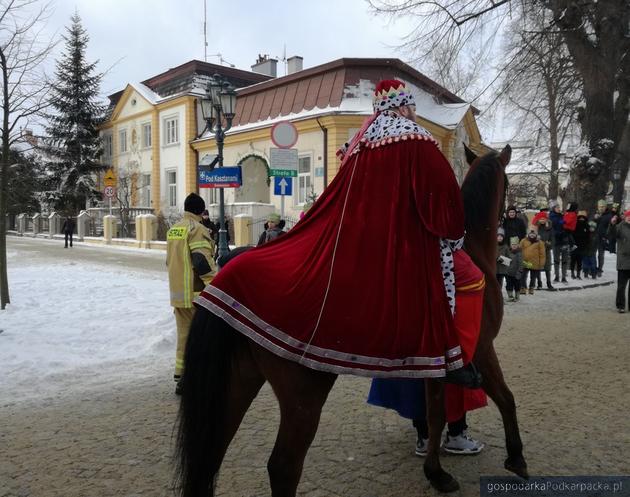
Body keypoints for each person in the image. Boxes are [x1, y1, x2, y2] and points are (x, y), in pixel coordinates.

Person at [194, 79, 480, 384]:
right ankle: (453, 357)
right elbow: (444, 208)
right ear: (405, 106)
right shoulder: (418, 140)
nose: (412, 112)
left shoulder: (357, 143)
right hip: (401, 246)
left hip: (353, 240)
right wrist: (454, 236)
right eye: (411, 106)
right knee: (472, 278)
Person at [367, 248, 487, 455]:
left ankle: (425, 435)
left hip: (409, 280)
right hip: (438, 274)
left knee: (416, 370)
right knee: (451, 367)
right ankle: (454, 434)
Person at [167, 193, 217, 394]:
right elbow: (201, 261)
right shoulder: (196, 229)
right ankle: (198, 379)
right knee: (202, 338)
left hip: (178, 294)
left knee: (184, 337)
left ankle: (182, 377)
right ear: (200, 210)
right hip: (196, 294)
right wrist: (215, 285)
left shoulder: (175, 229)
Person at [607, 210, 630, 313]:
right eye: (628, 216)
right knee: (621, 286)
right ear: (625, 217)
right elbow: (611, 234)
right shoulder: (620, 226)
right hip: (623, 262)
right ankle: (620, 306)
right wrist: (612, 224)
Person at [549, 200, 570, 283]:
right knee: (556, 260)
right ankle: (557, 276)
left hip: (564, 240)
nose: (558, 208)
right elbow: (552, 228)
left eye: (559, 207)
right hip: (556, 241)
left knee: (565, 260)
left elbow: (566, 225)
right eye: (557, 207)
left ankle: (564, 277)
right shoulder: (551, 216)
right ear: (553, 208)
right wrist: (559, 232)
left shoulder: (562, 216)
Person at [519, 230, 545, 295]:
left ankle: (531, 288)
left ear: (536, 235)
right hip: (525, 262)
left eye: (533, 234)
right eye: (531, 234)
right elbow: (519, 250)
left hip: (535, 262)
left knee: (533, 277)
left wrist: (541, 263)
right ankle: (523, 288)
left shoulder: (540, 242)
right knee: (523, 275)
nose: (532, 235)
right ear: (528, 234)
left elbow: (542, 254)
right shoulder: (523, 241)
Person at [535, 217, 555, 290]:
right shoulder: (536, 228)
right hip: (537, 250)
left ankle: (549, 283)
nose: (542, 220)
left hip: (547, 250)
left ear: (546, 219)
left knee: (547, 267)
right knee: (537, 267)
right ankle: (539, 283)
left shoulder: (550, 228)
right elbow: (531, 237)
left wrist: (549, 244)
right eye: (540, 219)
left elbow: (553, 239)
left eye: (544, 219)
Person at [594, 200, 613, 276]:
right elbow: (592, 224)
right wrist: (595, 218)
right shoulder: (596, 214)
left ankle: (600, 269)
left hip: (602, 238)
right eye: (599, 206)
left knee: (601, 255)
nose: (601, 208)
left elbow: (611, 228)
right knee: (592, 254)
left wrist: (606, 237)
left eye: (603, 206)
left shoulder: (609, 216)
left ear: (606, 207)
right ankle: (593, 268)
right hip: (594, 237)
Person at [571, 211, 590, 279]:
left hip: (582, 246)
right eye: (580, 218)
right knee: (573, 260)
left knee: (580, 261)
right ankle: (572, 273)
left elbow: (588, 236)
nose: (581, 219)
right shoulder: (575, 224)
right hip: (574, 245)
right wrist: (572, 244)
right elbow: (572, 234)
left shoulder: (586, 225)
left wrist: (586, 243)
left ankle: (578, 274)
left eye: (583, 218)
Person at [505, 237, 523, 302]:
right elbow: (506, 261)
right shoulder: (508, 252)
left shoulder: (519, 253)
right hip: (508, 273)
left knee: (517, 285)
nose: (514, 246)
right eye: (512, 245)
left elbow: (521, 264)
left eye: (515, 245)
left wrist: (519, 272)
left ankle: (517, 296)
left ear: (518, 245)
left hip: (516, 273)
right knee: (509, 285)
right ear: (510, 245)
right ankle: (510, 296)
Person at [496, 227, 510, 295]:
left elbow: (509, 259)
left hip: (502, 269)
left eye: (501, 236)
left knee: (500, 282)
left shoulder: (506, 246)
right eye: (498, 236)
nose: (499, 238)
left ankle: (499, 294)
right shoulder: (492, 246)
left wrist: (500, 259)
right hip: (494, 268)